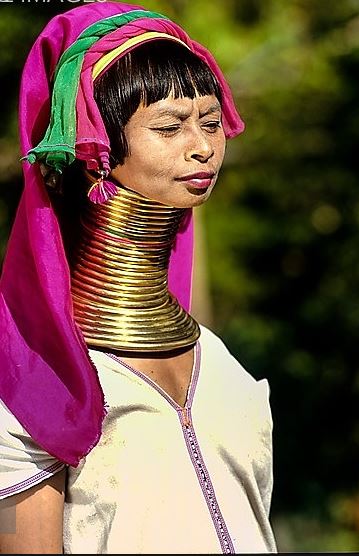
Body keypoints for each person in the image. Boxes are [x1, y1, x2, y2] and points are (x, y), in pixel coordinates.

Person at [0, 2, 277, 553]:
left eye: (211, 122)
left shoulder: (228, 373)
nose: (202, 147)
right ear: (95, 148)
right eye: (169, 127)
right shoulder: (35, 387)